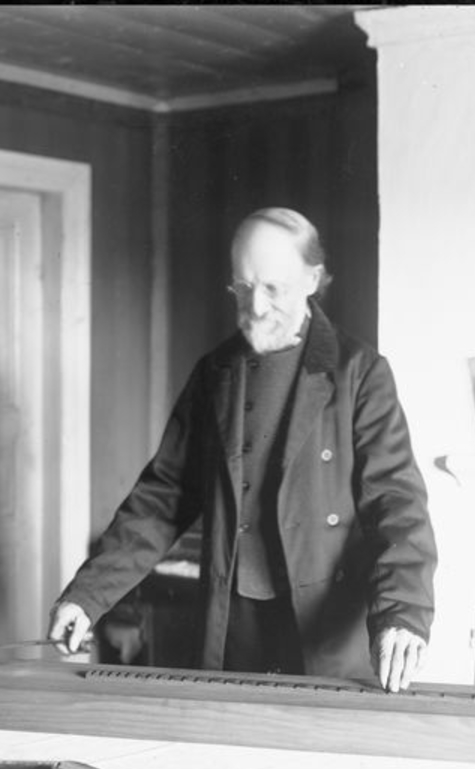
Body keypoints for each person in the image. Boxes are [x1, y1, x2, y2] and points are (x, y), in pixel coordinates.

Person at [47, 207, 437, 692]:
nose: (256, 307)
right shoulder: (215, 373)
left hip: (324, 627)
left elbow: (396, 504)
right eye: (244, 286)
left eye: (273, 288)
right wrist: (87, 596)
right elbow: (162, 499)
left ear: (312, 278)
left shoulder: (360, 373)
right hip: (234, 624)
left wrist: (402, 614)